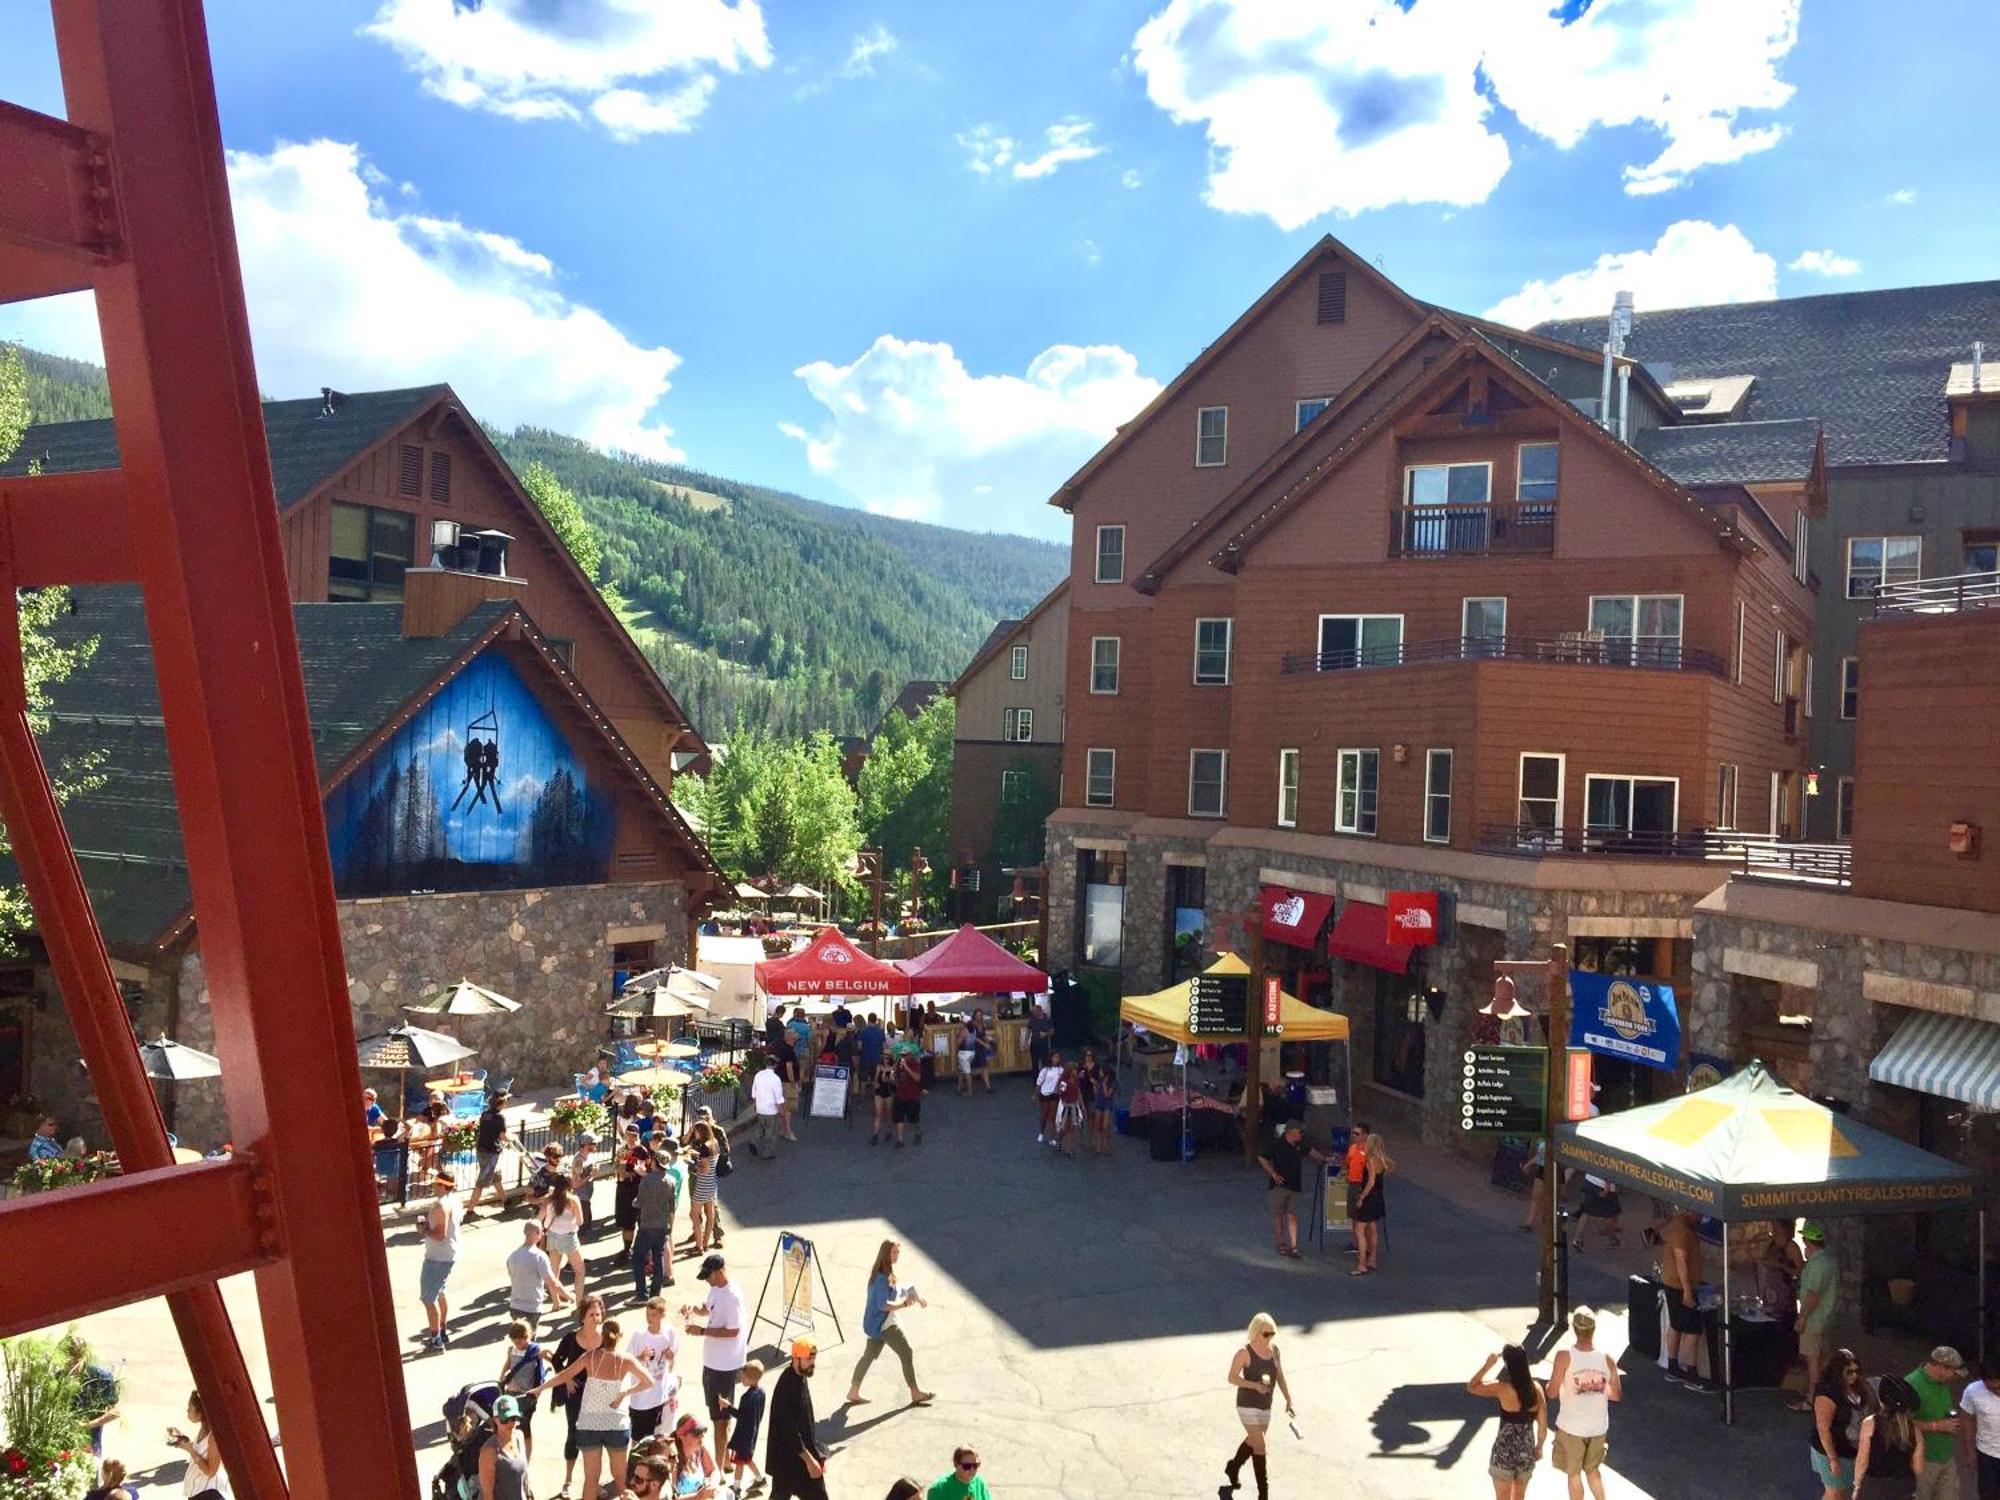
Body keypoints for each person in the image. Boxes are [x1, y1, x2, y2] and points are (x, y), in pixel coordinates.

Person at [531, 1315, 657, 1499]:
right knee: (621, 1478)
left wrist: (540, 1388)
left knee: (591, 1479)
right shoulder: (626, 1360)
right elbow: (649, 1382)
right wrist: (625, 1393)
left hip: (589, 1424)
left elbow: (564, 1375)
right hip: (616, 1424)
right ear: (620, 1336)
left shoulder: (589, 1357)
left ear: (602, 1336)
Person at [845, 1238, 934, 1407]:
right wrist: (903, 1304)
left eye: (898, 1252)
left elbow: (901, 1288)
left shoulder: (886, 1273)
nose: (897, 1255)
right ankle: (915, 1393)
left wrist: (917, 1297)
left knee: (869, 1355)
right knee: (906, 1352)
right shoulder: (881, 1278)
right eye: (894, 1252)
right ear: (886, 1254)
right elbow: (883, 1304)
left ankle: (853, 1391)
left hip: (877, 1324)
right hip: (885, 1324)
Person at [1549, 1307, 1620, 1500]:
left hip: (1571, 1427)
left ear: (1574, 1329)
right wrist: (1595, 1385)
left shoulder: (1564, 1356)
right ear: (1593, 1329)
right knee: (1592, 1470)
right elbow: (1615, 1395)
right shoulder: (1607, 1359)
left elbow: (1552, 1392)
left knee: (1574, 1474)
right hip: (1598, 1427)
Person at [684, 1253, 748, 1467]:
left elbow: (733, 1331)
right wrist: (693, 1309)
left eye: (708, 1276)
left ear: (720, 1271)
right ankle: (727, 1461)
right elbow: (707, 1307)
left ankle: (720, 1467)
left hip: (724, 1365)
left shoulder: (731, 1297)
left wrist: (701, 1331)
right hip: (712, 1362)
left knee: (720, 1419)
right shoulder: (715, 1288)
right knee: (721, 1414)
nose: (707, 1280)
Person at [1222, 1312, 1292, 1500]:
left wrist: (1288, 1398)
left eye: (1272, 1334)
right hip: (1246, 1404)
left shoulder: (1275, 1350)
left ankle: (1233, 1467)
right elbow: (1231, 1377)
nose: (1269, 1338)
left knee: (1254, 1442)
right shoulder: (1244, 1352)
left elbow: (1279, 1375)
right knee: (1260, 1445)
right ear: (1255, 1332)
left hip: (1265, 1404)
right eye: (1266, 1334)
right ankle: (1264, 1494)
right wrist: (1254, 1385)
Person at [1468, 1345, 1547, 1500]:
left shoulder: (1501, 1388)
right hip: (1526, 1452)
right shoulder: (1536, 1389)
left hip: (1503, 1452)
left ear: (1507, 1365)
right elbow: (1542, 1426)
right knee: (1519, 1496)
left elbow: (1472, 1387)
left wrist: (1487, 1365)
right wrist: (1539, 1447)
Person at [550, 1293, 608, 1500]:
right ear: (582, 1317)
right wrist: (566, 1379)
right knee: (573, 1436)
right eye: (591, 1314)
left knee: (596, 1437)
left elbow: (613, 1363)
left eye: (598, 1314)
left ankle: (595, 1481)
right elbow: (557, 1361)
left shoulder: (606, 1339)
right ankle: (567, 1481)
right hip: (575, 1395)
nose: (596, 1318)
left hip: (598, 1396)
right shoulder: (571, 1338)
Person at [1256, 1120, 1330, 1261]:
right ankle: (1281, 1243)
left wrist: (1325, 1160)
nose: (1302, 1134)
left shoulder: (1300, 1145)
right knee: (1278, 1215)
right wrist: (1273, 1174)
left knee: (1292, 1215)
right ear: (1291, 1132)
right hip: (1278, 1186)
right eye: (1300, 1132)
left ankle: (1293, 1245)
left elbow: (1311, 1152)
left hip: (1295, 1185)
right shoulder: (1277, 1144)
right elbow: (1262, 1157)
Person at [1811, 1348, 1879, 1498]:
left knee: (1843, 1491)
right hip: (1832, 1451)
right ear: (1838, 1372)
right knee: (1834, 1493)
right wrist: (1833, 1459)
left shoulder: (1860, 1387)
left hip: (1852, 1449)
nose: (1854, 1376)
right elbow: (1823, 1429)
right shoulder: (1827, 1394)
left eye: (1856, 1371)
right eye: (1849, 1372)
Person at [766, 1338, 829, 1500]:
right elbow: (789, 1430)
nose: (812, 1363)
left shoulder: (801, 1375)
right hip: (789, 1459)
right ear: (795, 1358)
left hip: (799, 1456)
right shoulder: (787, 1386)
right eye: (809, 1359)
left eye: (814, 1358)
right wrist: (809, 1460)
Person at [1905, 1345, 1968, 1500]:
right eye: (1953, 1372)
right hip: (1924, 1459)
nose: (1954, 1377)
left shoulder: (1942, 1381)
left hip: (1946, 1455)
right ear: (1940, 1367)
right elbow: (1901, 1424)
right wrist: (1937, 1426)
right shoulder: (1912, 1385)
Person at [1658, 1207, 1709, 1389]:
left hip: (1673, 1283)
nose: (1702, 1215)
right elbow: (1681, 1261)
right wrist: (1688, 1291)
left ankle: (1673, 1368)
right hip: (1679, 1286)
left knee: (1676, 1325)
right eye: (1700, 1212)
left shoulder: (1679, 1224)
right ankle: (1691, 1374)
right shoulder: (1683, 1229)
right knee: (1693, 1330)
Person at [1794, 1221, 1842, 1409]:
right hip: (1828, 1318)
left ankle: (1812, 1399)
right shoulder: (1830, 1261)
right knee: (1824, 1358)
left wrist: (1802, 1318)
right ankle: (1824, 1395)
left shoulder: (1815, 1266)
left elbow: (1812, 1295)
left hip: (1814, 1321)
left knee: (1812, 1359)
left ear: (1808, 1242)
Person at [628, 1295, 681, 1446]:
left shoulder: (670, 1333)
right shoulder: (639, 1336)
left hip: (661, 1398)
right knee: (638, 1443)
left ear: (662, 1315)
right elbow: (626, 1361)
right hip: (641, 1401)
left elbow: (672, 1361)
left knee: (660, 1441)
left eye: (653, 1315)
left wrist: (671, 1356)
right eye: (647, 1314)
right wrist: (640, 1357)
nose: (649, 1318)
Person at [419, 1169, 462, 1349]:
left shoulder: (440, 1206)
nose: (433, 1188)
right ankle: (442, 1329)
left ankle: (436, 1339)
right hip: (448, 1254)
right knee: (441, 1292)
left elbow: (439, 1235)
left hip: (437, 1256)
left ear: (441, 1186)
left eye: (435, 1184)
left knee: (428, 1299)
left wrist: (424, 1230)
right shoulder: (456, 1201)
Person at [498, 1318, 551, 1459]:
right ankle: (513, 1454)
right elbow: (508, 1363)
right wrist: (503, 1375)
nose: (517, 1344)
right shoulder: (512, 1350)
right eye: (514, 1342)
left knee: (525, 1428)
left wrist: (537, 1393)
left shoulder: (535, 1350)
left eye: (520, 1341)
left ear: (527, 1337)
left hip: (527, 1395)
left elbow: (543, 1368)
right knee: (510, 1427)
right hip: (511, 1393)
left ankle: (527, 1458)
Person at [506, 1220, 570, 1335]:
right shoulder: (539, 1257)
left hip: (514, 1306)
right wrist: (570, 1296)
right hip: (531, 1308)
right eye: (542, 1232)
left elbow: (513, 1277)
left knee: (519, 1342)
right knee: (529, 1344)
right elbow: (552, 1283)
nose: (543, 1235)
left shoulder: (512, 1256)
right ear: (537, 1233)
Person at [63, 1333, 120, 1457]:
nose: (70, 1366)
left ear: (82, 1357)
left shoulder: (100, 1377)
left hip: (89, 1442)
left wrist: (87, 1425)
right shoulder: (59, 1377)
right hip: (62, 1440)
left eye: (74, 1361)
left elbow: (115, 1412)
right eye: (67, 1360)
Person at [633, 1147, 678, 1300]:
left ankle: (641, 1293)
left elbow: (640, 1201)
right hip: (662, 1225)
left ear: (654, 1162)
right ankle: (655, 1292)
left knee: (638, 1257)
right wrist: (670, 1226)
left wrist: (634, 1203)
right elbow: (672, 1206)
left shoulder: (647, 1180)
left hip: (647, 1225)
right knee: (658, 1258)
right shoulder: (671, 1181)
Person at [169, 1389, 230, 1498]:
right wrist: (182, 1439)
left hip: (207, 1494)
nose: (187, 1411)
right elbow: (201, 1450)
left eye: (190, 1408)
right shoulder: (203, 1428)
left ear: (200, 1413)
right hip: (197, 1491)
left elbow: (211, 1471)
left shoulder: (213, 1437)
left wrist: (190, 1450)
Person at [465, 1091, 512, 1220]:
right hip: (491, 1152)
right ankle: (469, 1211)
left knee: (496, 1177)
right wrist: (512, 1139)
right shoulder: (500, 1118)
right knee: (481, 1182)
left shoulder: (485, 1114)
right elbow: (503, 1136)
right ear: (502, 1102)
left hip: (482, 1149)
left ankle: (506, 1202)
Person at [1351, 1132, 1392, 1275]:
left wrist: (1362, 1196)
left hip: (1370, 1197)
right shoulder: (1381, 1160)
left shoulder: (1370, 1160)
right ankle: (1372, 1258)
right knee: (1373, 1226)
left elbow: (1371, 1181)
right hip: (1378, 1197)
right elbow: (1390, 1167)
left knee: (1359, 1229)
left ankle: (1361, 1263)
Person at [477, 1394, 532, 1500]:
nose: (510, 1423)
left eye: (513, 1418)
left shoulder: (519, 1436)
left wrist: (528, 1492)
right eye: (504, 1420)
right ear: (495, 1419)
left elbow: (523, 1473)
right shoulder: (489, 1451)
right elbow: (487, 1494)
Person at [1960, 1354, 2000, 1498]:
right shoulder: (1973, 1391)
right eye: (1992, 1389)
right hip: (1987, 1455)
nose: (1997, 1392)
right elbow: (1966, 1419)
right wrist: (1970, 1451)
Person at [540, 1176, 587, 1294]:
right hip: (569, 1238)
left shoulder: (549, 1199)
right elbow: (580, 1221)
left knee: (554, 1272)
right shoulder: (573, 1200)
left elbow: (540, 1217)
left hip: (552, 1237)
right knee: (580, 1271)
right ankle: (578, 1302)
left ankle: (556, 1303)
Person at [727, 1359, 768, 1493]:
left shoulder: (746, 1398)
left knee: (740, 1462)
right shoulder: (761, 1393)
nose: (741, 1379)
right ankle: (759, 1479)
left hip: (743, 1435)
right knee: (747, 1459)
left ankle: (736, 1487)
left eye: (743, 1377)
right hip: (753, 1433)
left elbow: (741, 1416)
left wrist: (727, 1407)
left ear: (751, 1379)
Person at [685, 1122, 722, 1253]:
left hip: (702, 1184)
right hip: (712, 1182)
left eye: (696, 1131)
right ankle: (706, 1242)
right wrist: (696, 1155)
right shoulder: (714, 1143)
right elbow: (709, 1163)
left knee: (694, 1214)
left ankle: (699, 1245)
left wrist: (690, 1162)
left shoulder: (705, 1147)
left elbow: (703, 1169)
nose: (695, 1134)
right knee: (710, 1214)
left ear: (701, 1131)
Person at [616, 1123, 647, 1265]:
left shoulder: (641, 1151)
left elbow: (641, 1170)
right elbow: (621, 1171)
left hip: (639, 1190)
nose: (631, 1138)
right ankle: (626, 1249)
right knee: (627, 1222)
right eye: (628, 1135)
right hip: (624, 1190)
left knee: (641, 1221)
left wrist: (629, 1173)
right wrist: (626, 1172)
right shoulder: (622, 1150)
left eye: (634, 1136)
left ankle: (642, 1250)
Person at [1344, 1121, 1372, 1257]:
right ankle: (1356, 1243)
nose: (1354, 1135)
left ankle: (1365, 1246)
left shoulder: (1369, 1152)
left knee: (1364, 1218)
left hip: (1362, 1185)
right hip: (1352, 1184)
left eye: (1357, 1133)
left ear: (1365, 1135)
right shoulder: (1352, 1148)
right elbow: (1347, 1162)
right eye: (1353, 1133)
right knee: (1353, 1215)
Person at [750, 1058, 785, 1159]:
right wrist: (781, 1110)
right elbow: (778, 1097)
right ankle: (767, 1153)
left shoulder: (758, 1075)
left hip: (760, 1107)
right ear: (775, 1065)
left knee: (760, 1127)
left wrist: (756, 1104)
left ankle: (753, 1141)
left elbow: (754, 1092)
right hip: (771, 1110)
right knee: (770, 1131)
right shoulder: (776, 1079)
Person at [892, 1045, 924, 1148]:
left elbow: (917, 1078)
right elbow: (895, 1079)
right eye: (902, 1055)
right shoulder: (898, 1064)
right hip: (900, 1094)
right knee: (899, 1118)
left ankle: (918, 1133)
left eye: (905, 1055)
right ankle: (900, 1140)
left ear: (910, 1055)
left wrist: (907, 1068)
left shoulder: (915, 1064)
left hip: (912, 1095)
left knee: (913, 1118)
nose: (903, 1057)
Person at [1054, 1056, 1084, 1156]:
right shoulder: (1064, 1081)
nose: (1076, 1071)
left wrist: (1081, 1105)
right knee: (1064, 1128)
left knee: (1072, 1127)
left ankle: (1069, 1149)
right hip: (1065, 1105)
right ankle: (1059, 1139)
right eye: (1074, 1069)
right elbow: (1060, 1093)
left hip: (1074, 1105)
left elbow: (1079, 1092)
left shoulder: (1076, 1080)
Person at [573, 1129, 600, 1238]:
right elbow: (575, 1183)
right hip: (581, 1199)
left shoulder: (589, 1157)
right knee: (582, 1229)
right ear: (586, 1145)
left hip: (586, 1197)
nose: (595, 1146)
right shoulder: (579, 1161)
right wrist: (591, 1175)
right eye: (593, 1144)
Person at [1035, 1051, 1063, 1145]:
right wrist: (1036, 1095)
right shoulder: (1045, 1070)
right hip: (1045, 1093)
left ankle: (1052, 1136)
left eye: (1057, 1057)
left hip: (1054, 1094)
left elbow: (1062, 1083)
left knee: (1052, 1116)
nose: (1056, 1059)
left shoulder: (1061, 1070)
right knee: (1044, 1115)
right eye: (1054, 1057)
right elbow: (1039, 1083)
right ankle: (1042, 1132)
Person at [870, 1052, 899, 1145]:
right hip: (879, 1091)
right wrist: (875, 1084)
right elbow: (875, 1080)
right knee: (878, 1114)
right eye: (884, 1058)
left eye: (887, 1058)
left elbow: (895, 1082)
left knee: (889, 1113)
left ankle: (890, 1131)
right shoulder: (879, 1067)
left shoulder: (893, 1068)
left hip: (889, 1091)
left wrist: (889, 1080)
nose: (885, 1059)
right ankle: (875, 1134)